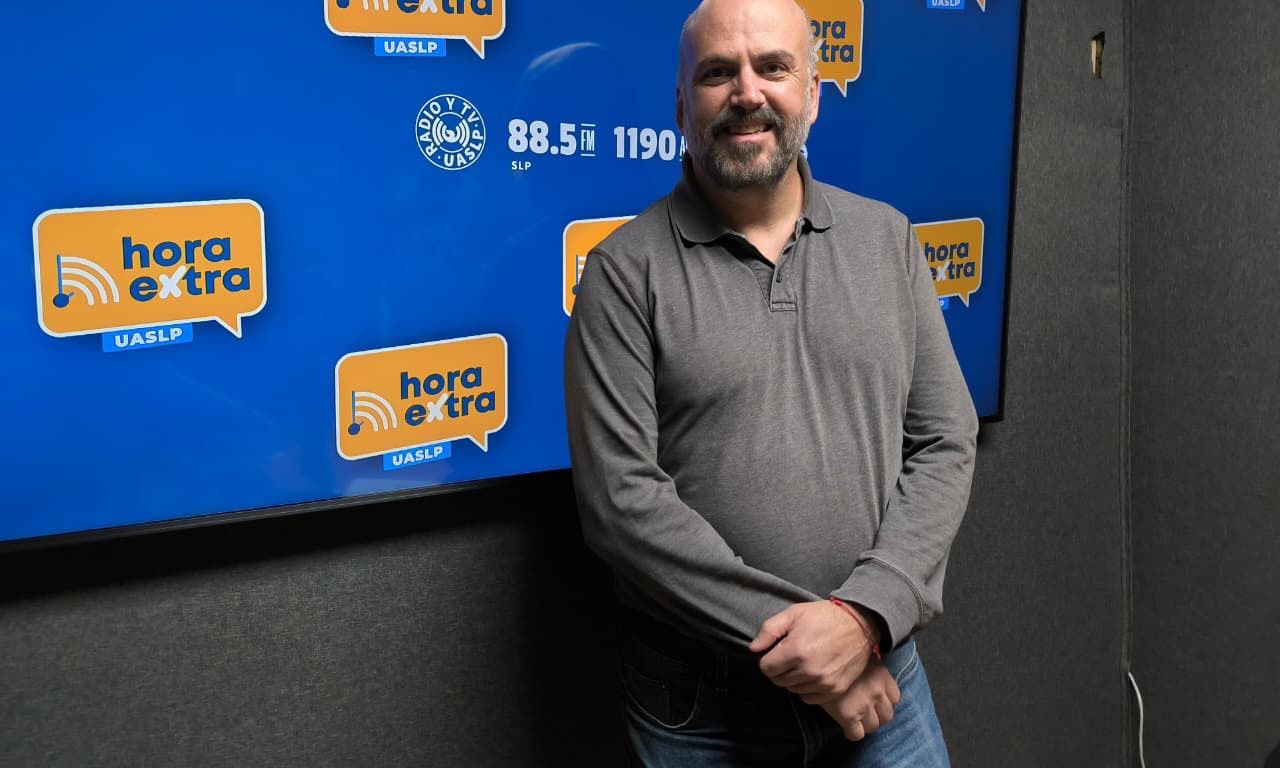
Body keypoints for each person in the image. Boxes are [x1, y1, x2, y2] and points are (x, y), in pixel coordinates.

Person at [563, 0, 978, 764]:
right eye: (718, 73)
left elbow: (945, 441)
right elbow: (621, 505)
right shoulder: (622, 274)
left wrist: (863, 621)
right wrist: (821, 653)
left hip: (883, 677)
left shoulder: (888, 240)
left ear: (813, 94)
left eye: (773, 68)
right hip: (706, 709)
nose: (747, 92)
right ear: (681, 106)